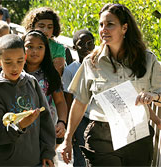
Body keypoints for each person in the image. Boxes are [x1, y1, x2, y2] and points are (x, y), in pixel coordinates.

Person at [61, 3, 161, 166]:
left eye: (110, 24)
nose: (103, 29)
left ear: (124, 28)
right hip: (101, 136)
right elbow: (79, 102)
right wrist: (67, 138)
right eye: (101, 24)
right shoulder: (91, 62)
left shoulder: (148, 59)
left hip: (138, 136)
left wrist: (153, 96)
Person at [0, 34, 55, 166]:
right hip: (5, 163)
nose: (15, 68)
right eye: (8, 62)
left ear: (25, 58)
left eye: (20, 61)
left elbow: (45, 120)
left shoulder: (31, 83)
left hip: (35, 161)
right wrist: (19, 126)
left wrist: (48, 151)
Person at [23, 30, 67, 145]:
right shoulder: (15, 73)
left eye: (40, 47)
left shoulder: (51, 74)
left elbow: (60, 101)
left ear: (46, 50)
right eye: (30, 46)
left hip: (46, 130)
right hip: (21, 130)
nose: (34, 51)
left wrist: (62, 122)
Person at [62, 29, 95, 167]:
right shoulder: (70, 70)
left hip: (96, 117)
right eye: (82, 43)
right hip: (80, 119)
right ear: (75, 47)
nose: (86, 47)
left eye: (90, 43)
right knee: (81, 153)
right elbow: (68, 99)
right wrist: (70, 130)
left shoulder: (99, 66)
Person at [22, 7, 66, 75]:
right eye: (41, 26)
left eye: (49, 27)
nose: (45, 30)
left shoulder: (58, 48)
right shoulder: (23, 43)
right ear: (32, 26)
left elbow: (56, 76)